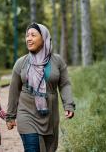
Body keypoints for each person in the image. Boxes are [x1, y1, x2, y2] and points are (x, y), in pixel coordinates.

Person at [6, 23, 75, 152]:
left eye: (33, 35)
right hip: (27, 114)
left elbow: (65, 84)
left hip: (50, 116)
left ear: (44, 38)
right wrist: (10, 116)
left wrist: (69, 104)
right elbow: (14, 91)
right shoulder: (21, 63)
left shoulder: (57, 61)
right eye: (27, 36)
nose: (28, 38)